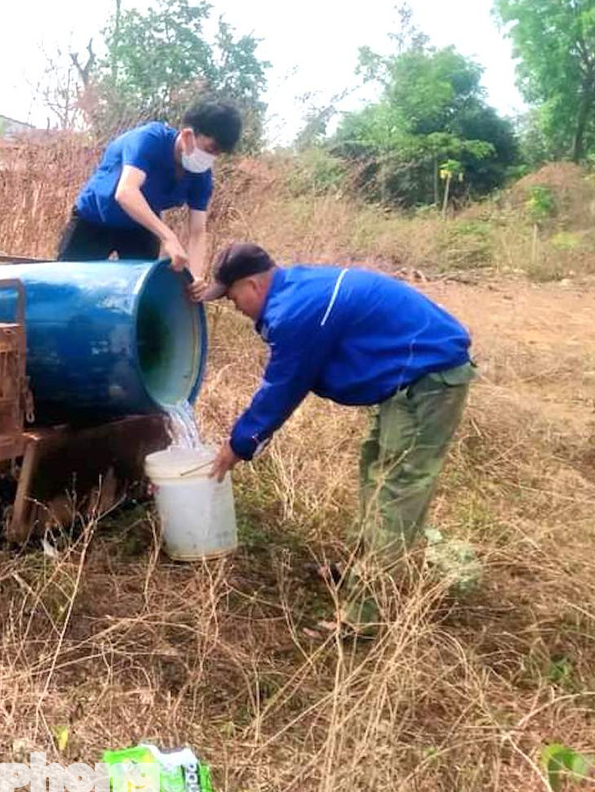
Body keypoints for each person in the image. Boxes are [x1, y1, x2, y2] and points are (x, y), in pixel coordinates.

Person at [199, 242, 476, 635]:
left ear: (253, 285)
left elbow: (282, 387)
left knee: (397, 490)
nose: (233, 306)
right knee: (374, 472)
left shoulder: (296, 310)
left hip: (429, 379)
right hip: (406, 379)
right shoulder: (294, 288)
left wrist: (239, 445)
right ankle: (364, 569)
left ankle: (363, 616)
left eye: (232, 296)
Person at [58, 100, 242, 281]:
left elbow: (197, 231)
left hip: (140, 228)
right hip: (94, 220)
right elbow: (126, 192)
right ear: (188, 136)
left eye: (217, 154)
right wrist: (169, 237)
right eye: (210, 149)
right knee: (69, 285)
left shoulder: (200, 175)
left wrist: (194, 276)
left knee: (142, 293)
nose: (210, 158)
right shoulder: (149, 139)